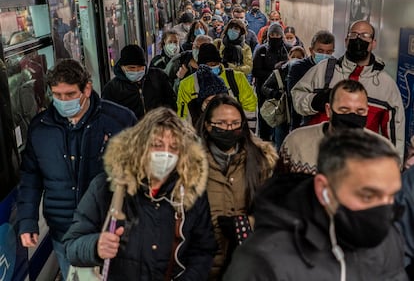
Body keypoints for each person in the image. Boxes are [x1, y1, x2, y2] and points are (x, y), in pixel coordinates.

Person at [224, 129, 407, 281]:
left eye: (391, 196)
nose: (384, 210)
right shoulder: (262, 261)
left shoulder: (386, 238)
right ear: (323, 189)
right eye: (368, 196)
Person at [16, 59, 137, 279]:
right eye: (57, 95)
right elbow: (30, 177)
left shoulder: (120, 120)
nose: (62, 101)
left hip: (111, 229)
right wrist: (27, 220)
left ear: (87, 89)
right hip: (65, 232)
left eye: (70, 94)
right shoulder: (40, 128)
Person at [63, 107, 217, 280]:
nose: (165, 154)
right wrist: (95, 246)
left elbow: (203, 250)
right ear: (140, 145)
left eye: (173, 147)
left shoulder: (190, 194)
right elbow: (71, 246)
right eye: (157, 145)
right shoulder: (105, 188)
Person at [291, 20, 405, 160]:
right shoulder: (324, 70)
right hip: (316, 156)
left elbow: (395, 136)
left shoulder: (386, 86)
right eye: (354, 34)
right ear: (346, 41)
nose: (358, 39)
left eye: (365, 35)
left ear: (373, 43)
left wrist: (393, 168)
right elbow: (296, 95)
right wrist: (313, 102)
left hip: (360, 162)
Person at [197, 94, 278, 280]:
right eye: (222, 123)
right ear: (208, 126)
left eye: (235, 123)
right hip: (202, 265)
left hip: (245, 264)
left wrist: (249, 222)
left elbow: (271, 211)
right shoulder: (191, 164)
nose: (229, 128)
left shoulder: (260, 161)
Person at [279, 79, 395, 175]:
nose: (352, 117)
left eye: (360, 111)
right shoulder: (296, 142)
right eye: (344, 110)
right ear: (329, 110)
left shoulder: (382, 151)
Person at [177, 43, 257, 122]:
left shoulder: (237, 78)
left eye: (215, 64)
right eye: (208, 65)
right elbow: (183, 115)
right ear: (200, 65)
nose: (212, 66)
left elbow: (250, 105)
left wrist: (243, 128)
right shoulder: (187, 84)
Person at [102, 44, 177, 120]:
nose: (136, 71)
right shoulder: (112, 89)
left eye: (140, 68)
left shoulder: (158, 77)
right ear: (122, 67)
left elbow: (171, 102)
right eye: (131, 68)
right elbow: (108, 116)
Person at [287, 30, 335, 130]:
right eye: (320, 51)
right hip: (301, 122)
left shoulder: (335, 67)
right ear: (311, 50)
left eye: (329, 52)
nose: (325, 55)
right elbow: (293, 95)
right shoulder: (298, 67)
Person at [261, 46, 306, 149]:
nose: (295, 59)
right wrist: (275, 94)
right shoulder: (279, 72)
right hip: (283, 113)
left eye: (299, 57)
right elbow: (264, 87)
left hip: (298, 114)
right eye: (293, 56)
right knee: (281, 144)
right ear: (288, 57)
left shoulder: (306, 72)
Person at [252, 23, 289, 141]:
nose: (275, 37)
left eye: (278, 34)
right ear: (268, 36)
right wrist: (274, 75)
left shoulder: (288, 49)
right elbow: (256, 71)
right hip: (264, 90)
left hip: (282, 90)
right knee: (264, 115)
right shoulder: (261, 50)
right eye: (272, 34)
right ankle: (264, 139)